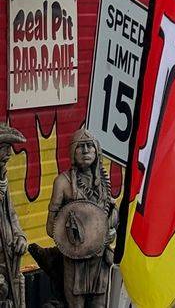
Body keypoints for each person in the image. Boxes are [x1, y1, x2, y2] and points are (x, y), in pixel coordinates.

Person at [46, 129, 117, 308]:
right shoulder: (62, 182)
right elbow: (51, 227)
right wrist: (72, 235)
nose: (86, 151)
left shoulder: (103, 184)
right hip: (75, 262)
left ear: (97, 151)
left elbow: (112, 216)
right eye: (80, 147)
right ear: (73, 152)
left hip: (100, 261)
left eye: (90, 146)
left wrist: (111, 232)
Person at [0, 124, 26, 308]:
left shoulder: (3, 178)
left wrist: (19, 235)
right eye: (4, 148)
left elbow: (11, 214)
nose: (9, 153)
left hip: (8, 258)